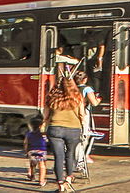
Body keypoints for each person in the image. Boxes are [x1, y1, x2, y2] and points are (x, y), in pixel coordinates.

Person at [41, 60, 87, 192]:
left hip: (55, 129)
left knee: (58, 157)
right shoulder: (78, 97)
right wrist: (83, 128)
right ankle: (69, 177)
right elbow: (82, 116)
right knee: (70, 154)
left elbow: (45, 115)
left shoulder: (52, 97)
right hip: (73, 130)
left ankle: (60, 185)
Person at [72, 72, 101, 174]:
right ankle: (84, 157)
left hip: (73, 114)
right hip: (84, 113)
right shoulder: (87, 89)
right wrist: (99, 99)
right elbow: (94, 103)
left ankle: (74, 158)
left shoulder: (72, 88)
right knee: (87, 136)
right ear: (85, 80)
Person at [22, 119, 49, 184]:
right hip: (41, 151)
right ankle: (41, 180)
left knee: (32, 164)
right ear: (40, 126)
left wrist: (26, 151)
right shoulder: (43, 134)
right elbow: (47, 141)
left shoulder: (29, 134)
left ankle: (31, 175)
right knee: (42, 166)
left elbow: (25, 143)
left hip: (31, 150)